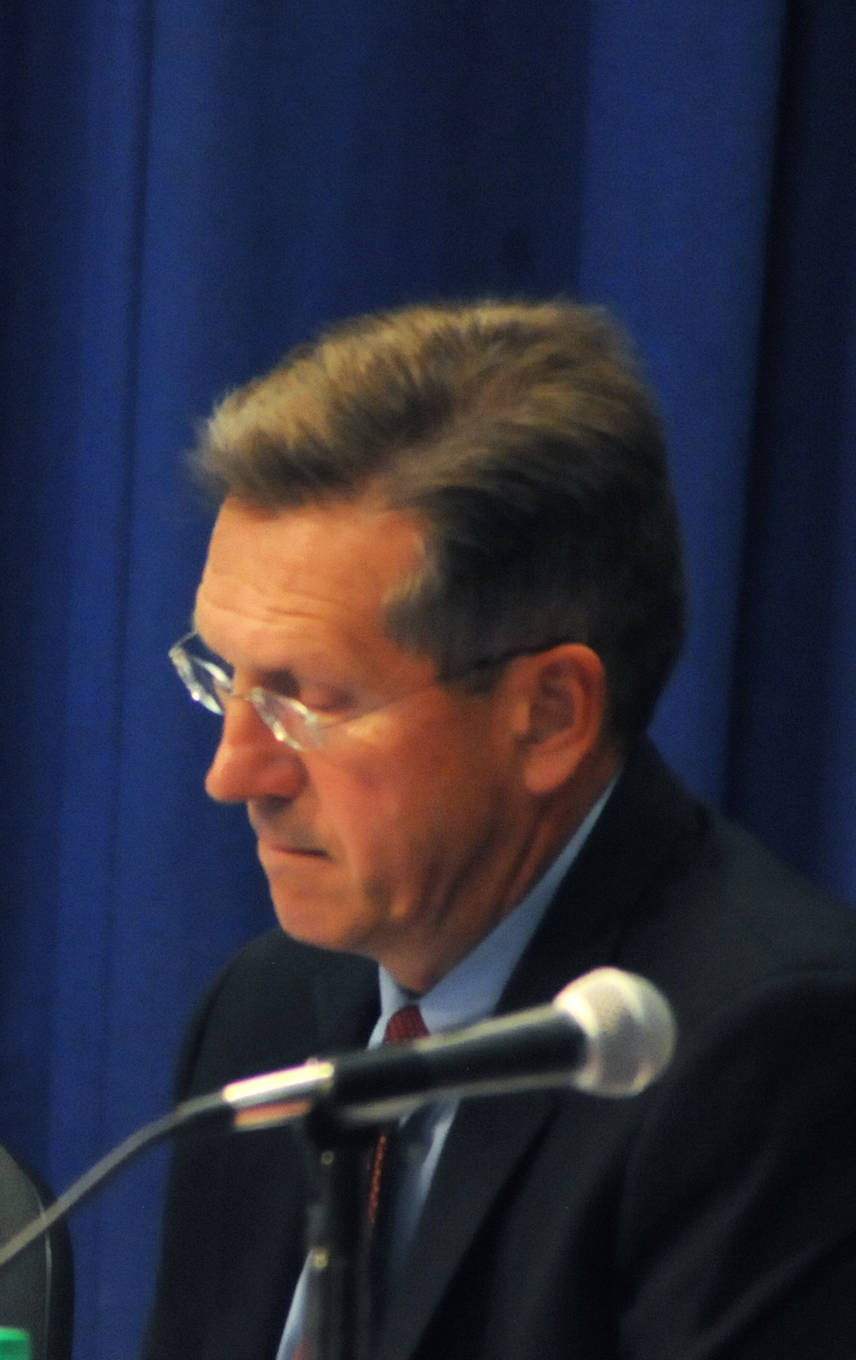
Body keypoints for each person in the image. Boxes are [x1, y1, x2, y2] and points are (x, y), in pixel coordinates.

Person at [140, 300, 856, 1359]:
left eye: (308, 700)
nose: (231, 771)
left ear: (547, 716)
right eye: (223, 680)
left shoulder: (757, 1058)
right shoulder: (266, 1010)